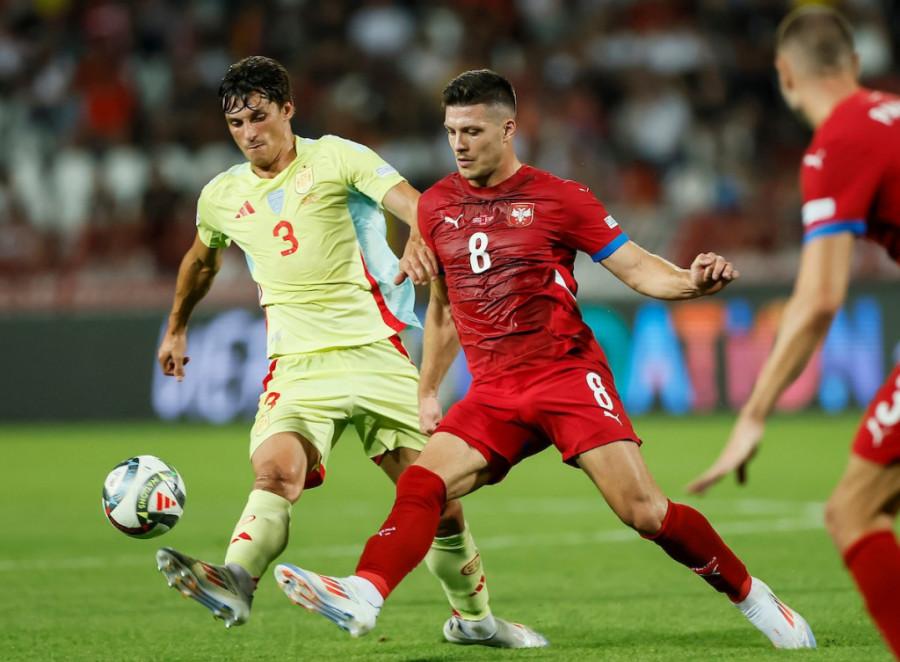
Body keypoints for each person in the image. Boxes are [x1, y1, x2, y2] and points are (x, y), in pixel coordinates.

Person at [271, 68, 816, 649]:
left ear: (509, 130)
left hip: (566, 378)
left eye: (473, 131)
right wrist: (428, 390)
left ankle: (753, 596)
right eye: (451, 131)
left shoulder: (561, 198)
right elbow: (444, 309)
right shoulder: (434, 207)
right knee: (423, 482)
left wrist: (692, 282)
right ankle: (365, 592)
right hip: (493, 392)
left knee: (644, 512)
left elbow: (637, 269)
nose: (459, 144)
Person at [154, 56, 547, 649]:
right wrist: (177, 326)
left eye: (259, 117)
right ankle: (236, 578)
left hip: (376, 354)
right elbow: (200, 261)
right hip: (297, 366)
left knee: (436, 498)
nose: (249, 133)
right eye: (236, 124)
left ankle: (477, 621)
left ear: (288, 109)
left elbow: (416, 204)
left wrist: (418, 235)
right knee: (276, 472)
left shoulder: (338, 157)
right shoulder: (221, 196)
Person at [686, 6, 900, 658]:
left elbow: (818, 299)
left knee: (853, 512)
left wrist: (753, 413)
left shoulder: (837, 143)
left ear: (783, 74)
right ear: (855, 64)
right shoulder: (892, 113)